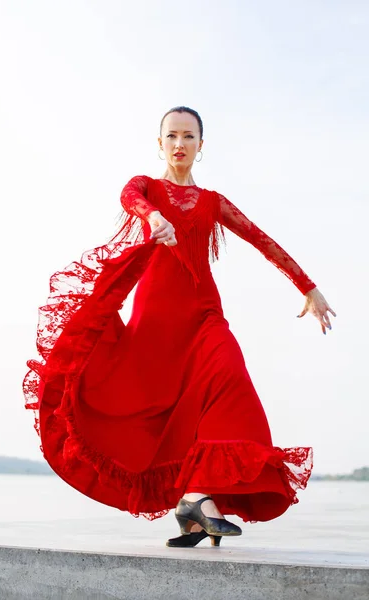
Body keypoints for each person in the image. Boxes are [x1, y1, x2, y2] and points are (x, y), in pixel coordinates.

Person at [23, 105, 336, 549]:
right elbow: (128, 197)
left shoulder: (213, 202)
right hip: (155, 317)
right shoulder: (145, 188)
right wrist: (152, 217)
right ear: (160, 143)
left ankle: (197, 497)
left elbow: (263, 240)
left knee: (231, 380)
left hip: (205, 311)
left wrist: (309, 287)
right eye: (171, 136)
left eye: (188, 137)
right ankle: (193, 514)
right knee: (173, 413)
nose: (179, 144)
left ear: (201, 146)